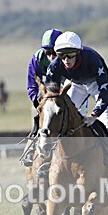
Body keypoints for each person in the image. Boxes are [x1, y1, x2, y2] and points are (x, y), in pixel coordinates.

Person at [45, 31, 108, 181]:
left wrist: (94, 115)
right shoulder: (55, 66)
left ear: (78, 53)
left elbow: (105, 90)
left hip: (98, 85)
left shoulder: (93, 59)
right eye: (62, 56)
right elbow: (50, 93)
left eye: (70, 55)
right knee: (67, 119)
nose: (66, 60)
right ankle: (55, 160)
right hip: (77, 84)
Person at [21, 28, 62, 167]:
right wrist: (37, 101)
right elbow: (32, 85)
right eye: (48, 52)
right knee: (38, 113)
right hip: (47, 94)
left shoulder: (68, 57)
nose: (51, 56)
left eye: (54, 52)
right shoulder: (37, 58)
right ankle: (33, 141)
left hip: (66, 92)